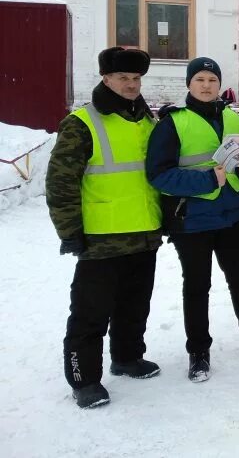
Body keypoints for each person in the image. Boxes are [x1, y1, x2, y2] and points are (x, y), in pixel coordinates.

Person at [146, 57, 239, 383]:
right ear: (189, 84)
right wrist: (209, 181)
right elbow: (158, 175)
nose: (207, 86)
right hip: (192, 219)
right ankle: (198, 353)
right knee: (197, 288)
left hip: (229, 217)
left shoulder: (231, 117)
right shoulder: (173, 123)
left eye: (212, 80)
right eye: (200, 80)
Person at [47, 47, 162, 409]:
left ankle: (127, 357)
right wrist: (70, 232)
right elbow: (61, 183)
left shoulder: (146, 120)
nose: (130, 85)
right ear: (105, 78)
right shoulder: (82, 122)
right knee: (90, 312)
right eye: (123, 78)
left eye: (135, 79)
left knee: (134, 304)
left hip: (144, 232)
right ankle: (84, 380)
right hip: (101, 237)